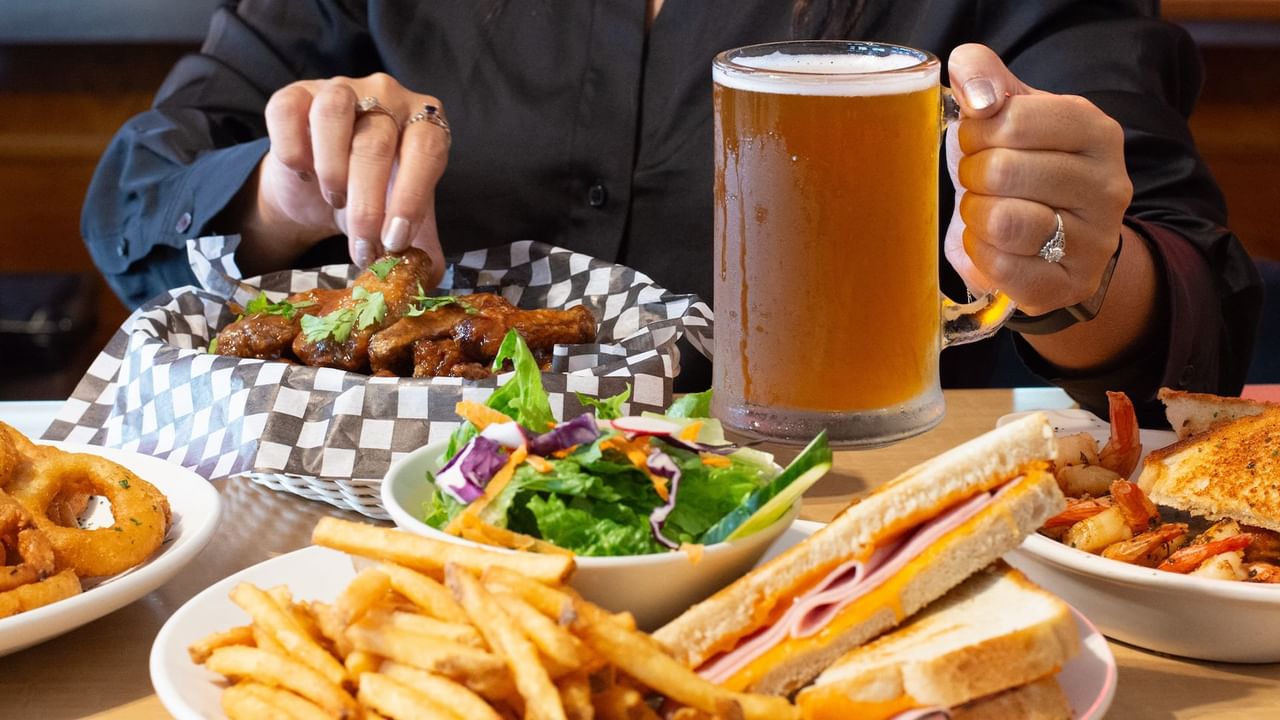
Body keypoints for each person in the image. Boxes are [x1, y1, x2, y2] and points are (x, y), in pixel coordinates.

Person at [81, 0, 1261, 424]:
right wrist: (284, 191)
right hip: (399, 523)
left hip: (845, 528)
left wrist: (1071, 267)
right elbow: (139, 192)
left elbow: (1189, 309)